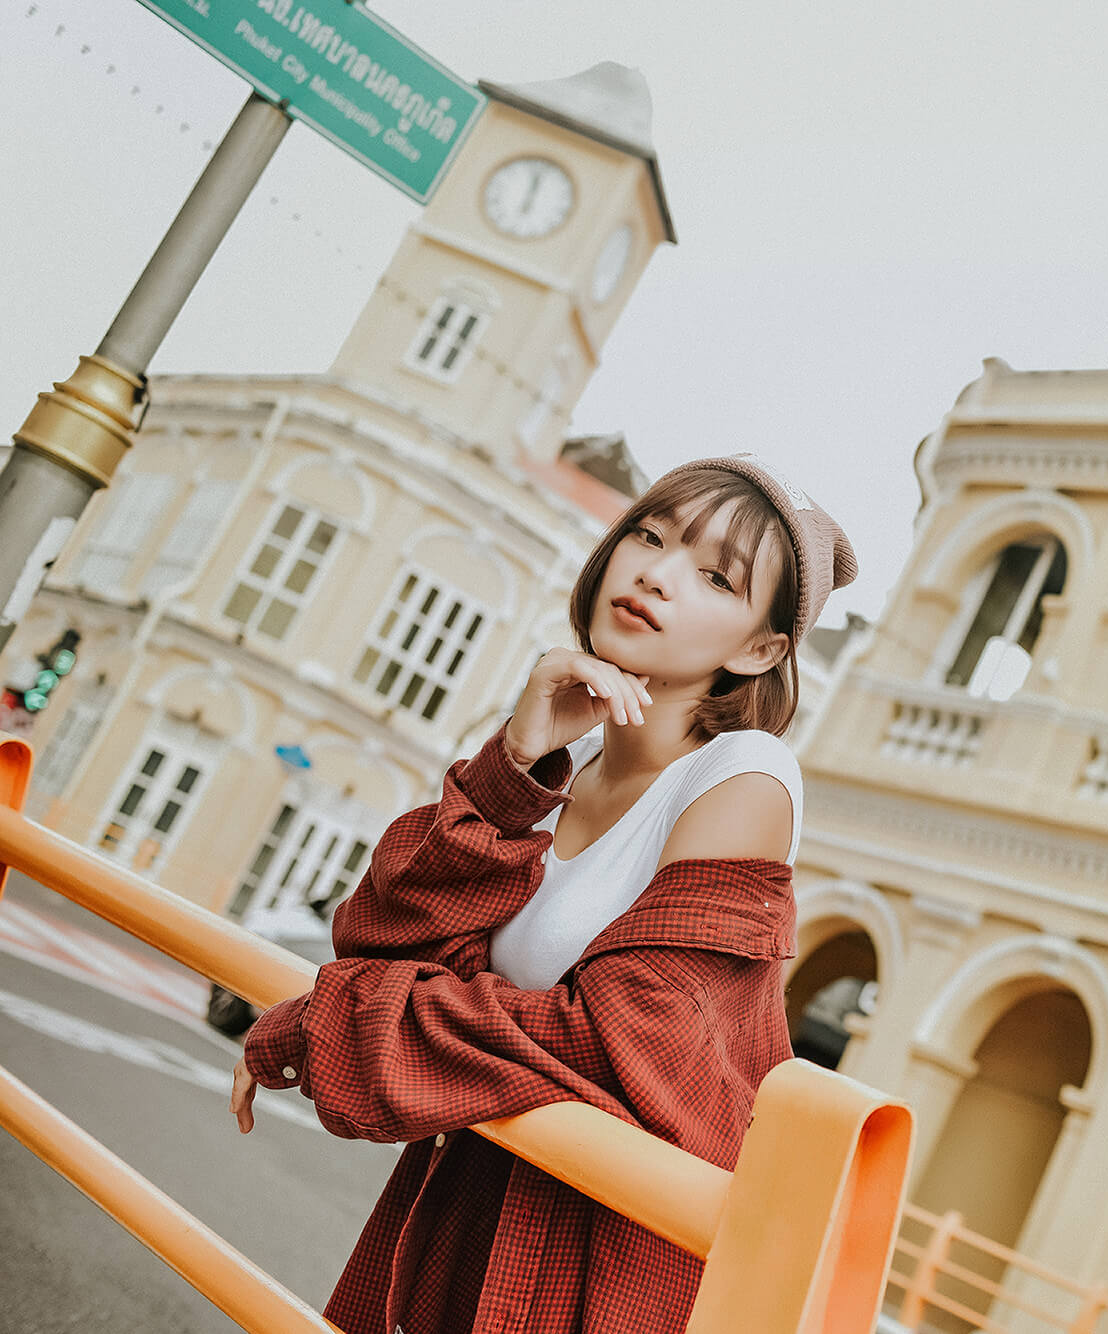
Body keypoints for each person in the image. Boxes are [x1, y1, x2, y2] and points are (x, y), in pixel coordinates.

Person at [227, 453, 857, 1334]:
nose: (655, 574)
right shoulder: (582, 763)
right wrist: (515, 768)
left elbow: (617, 1044)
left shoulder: (745, 779)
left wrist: (328, 1022)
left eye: (716, 577)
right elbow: (386, 936)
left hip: (612, 1260)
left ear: (758, 650)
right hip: (482, 1197)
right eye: (649, 534)